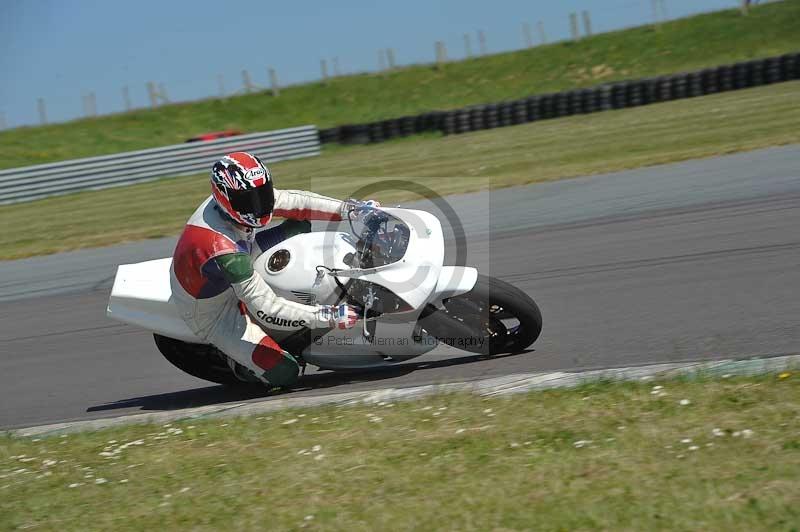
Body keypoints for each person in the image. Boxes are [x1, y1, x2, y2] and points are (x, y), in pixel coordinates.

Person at [170, 151, 376, 388]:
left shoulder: (241, 200)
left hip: (235, 258)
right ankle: (235, 361)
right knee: (284, 374)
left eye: (264, 193)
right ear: (225, 199)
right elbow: (265, 305)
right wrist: (327, 316)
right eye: (251, 200)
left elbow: (297, 202)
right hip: (214, 311)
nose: (260, 205)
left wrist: (351, 209)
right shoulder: (222, 247)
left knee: (299, 224)